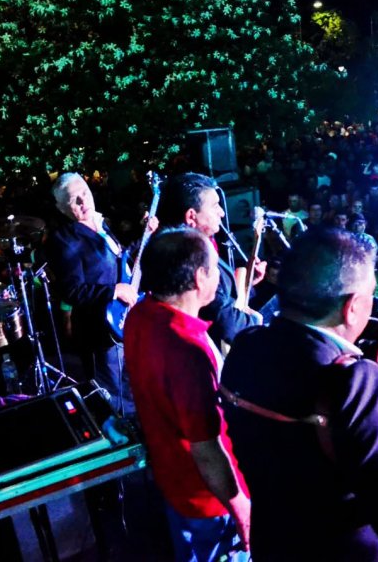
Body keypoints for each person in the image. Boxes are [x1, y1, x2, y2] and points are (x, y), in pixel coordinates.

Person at [220, 228, 378, 561]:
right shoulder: (354, 382)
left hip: (274, 543)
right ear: (352, 307)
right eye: (371, 293)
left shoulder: (246, 347)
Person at [124, 227, 250, 561]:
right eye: (214, 268)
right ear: (199, 277)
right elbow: (207, 449)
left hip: (174, 483)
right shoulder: (186, 348)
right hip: (208, 500)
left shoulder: (139, 315)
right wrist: (241, 509)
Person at [47, 173, 144, 414]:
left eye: (85, 193)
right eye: (73, 200)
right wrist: (113, 291)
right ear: (62, 208)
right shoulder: (65, 240)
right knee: (112, 399)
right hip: (98, 331)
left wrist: (145, 234)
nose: (83, 201)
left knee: (133, 388)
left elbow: (119, 261)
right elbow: (71, 291)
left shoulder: (103, 225)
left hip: (122, 321)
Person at [158, 172, 263, 346]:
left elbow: (221, 298)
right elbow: (223, 320)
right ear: (191, 216)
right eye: (215, 206)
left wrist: (247, 284)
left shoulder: (196, 248)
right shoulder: (188, 258)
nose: (222, 213)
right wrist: (259, 325)